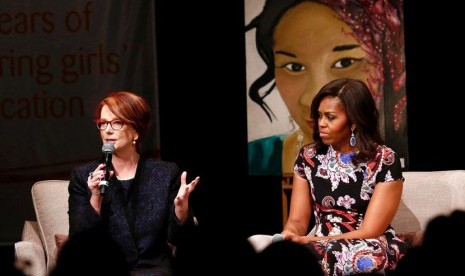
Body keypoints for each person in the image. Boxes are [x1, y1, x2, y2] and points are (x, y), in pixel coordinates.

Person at [245, 0, 407, 176]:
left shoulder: (386, 161)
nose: (312, 100)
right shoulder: (262, 158)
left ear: (387, 65)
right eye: (294, 67)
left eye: (344, 63)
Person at [279, 78, 409, 275]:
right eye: (320, 116)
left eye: (330, 117)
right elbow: (297, 219)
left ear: (354, 122)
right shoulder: (309, 157)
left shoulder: (384, 160)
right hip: (318, 245)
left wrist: (309, 241)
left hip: (367, 244)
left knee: (343, 256)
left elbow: (370, 231)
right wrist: (291, 234)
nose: (321, 123)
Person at [68, 91, 200, 276]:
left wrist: (181, 211)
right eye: (103, 123)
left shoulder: (164, 173)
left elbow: (181, 241)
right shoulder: (84, 176)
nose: (107, 130)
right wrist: (95, 199)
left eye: (117, 123)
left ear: (136, 131)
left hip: (154, 270)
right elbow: (78, 243)